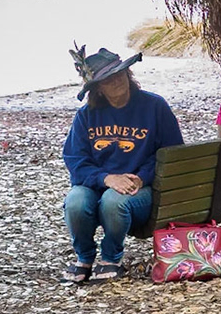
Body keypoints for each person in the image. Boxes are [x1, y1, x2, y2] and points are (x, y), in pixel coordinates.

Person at [61, 45, 183, 284]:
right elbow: (76, 160)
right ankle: (84, 256)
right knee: (75, 203)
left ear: (129, 73)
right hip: (97, 183)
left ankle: (110, 257)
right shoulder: (86, 115)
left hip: (140, 188)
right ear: (97, 89)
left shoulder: (155, 106)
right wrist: (106, 178)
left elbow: (172, 153)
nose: (116, 80)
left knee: (112, 202)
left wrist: (142, 177)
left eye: (120, 73)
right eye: (108, 79)